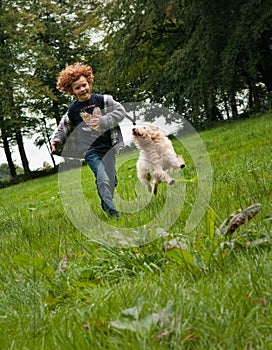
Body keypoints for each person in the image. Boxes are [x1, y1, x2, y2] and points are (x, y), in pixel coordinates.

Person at [51, 63, 126, 220]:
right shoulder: (73, 110)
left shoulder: (103, 100)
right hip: (90, 150)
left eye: (84, 85)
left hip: (108, 147)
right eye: (77, 88)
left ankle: (105, 202)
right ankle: (112, 211)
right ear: (72, 91)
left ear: (89, 83)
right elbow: (63, 127)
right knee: (102, 177)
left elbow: (121, 111)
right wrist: (57, 140)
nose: (82, 89)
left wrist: (104, 120)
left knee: (112, 180)